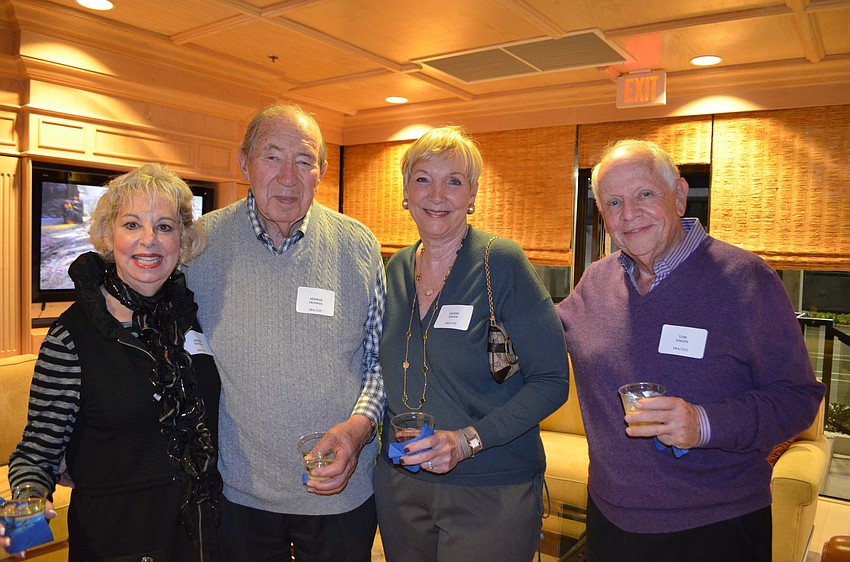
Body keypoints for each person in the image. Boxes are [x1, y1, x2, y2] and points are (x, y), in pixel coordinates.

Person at [557, 139, 826, 562]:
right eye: (613, 202)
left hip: (715, 526)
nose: (629, 214)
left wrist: (704, 423)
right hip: (611, 519)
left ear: (679, 195)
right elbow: (542, 334)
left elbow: (797, 399)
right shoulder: (596, 281)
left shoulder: (747, 280)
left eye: (645, 194)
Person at [183, 103, 385, 561]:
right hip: (239, 494)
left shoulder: (358, 245)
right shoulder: (199, 246)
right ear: (244, 163)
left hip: (341, 490)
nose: (288, 177)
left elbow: (380, 362)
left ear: (322, 171)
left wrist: (358, 430)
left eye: (304, 160)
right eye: (273, 157)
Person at [4, 163, 222, 561]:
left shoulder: (188, 317)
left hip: (198, 534)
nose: (149, 241)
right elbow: (38, 449)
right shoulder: (73, 336)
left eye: (165, 227)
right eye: (133, 225)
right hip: (118, 537)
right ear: (108, 235)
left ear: (183, 240)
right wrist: (30, 499)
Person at [373, 125, 570, 561]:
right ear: (405, 190)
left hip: (490, 487)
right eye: (423, 178)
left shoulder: (501, 263)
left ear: (472, 194)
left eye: (454, 181)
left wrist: (466, 441)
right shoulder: (396, 268)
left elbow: (552, 380)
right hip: (402, 485)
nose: (437, 194)